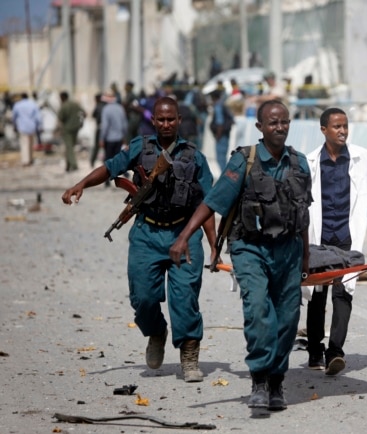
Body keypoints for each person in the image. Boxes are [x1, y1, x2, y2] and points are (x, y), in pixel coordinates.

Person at [169, 100, 312, 411]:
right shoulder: (244, 162)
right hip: (251, 248)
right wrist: (183, 237)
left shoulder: (300, 163)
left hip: (289, 250)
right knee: (258, 309)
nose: (280, 127)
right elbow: (212, 202)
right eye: (273, 123)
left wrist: (306, 256)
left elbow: (303, 214)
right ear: (260, 127)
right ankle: (260, 379)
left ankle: (277, 382)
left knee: (288, 320)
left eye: (284, 122)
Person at [61, 96, 216, 383]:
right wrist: (80, 184)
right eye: (161, 119)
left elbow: (207, 204)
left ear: (179, 120)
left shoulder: (194, 156)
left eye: (172, 119)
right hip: (147, 232)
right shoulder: (139, 148)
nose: (166, 124)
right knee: (142, 298)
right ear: (153, 121)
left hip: (184, 233)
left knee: (184, 299)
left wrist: (214, 245)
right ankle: (156, 332)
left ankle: (189, 353)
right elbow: (110, 169)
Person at [304, 107, 367, 375]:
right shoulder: (310, 162)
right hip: (318, 240)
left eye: (345, 126)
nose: (343, 131)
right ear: (324, 130)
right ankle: (314, 350)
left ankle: (335, 351)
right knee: (316, 294)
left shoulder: (362, 159)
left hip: (347, 240)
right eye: (337, 127)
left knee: (343, 294)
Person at [99, 89, 128, 186]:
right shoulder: (120, 108)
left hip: (109, 138)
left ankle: (107, 180)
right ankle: (119, 176)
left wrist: (102, 138)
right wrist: (124, 135)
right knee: (118, 158)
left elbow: (105, 126)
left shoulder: (106, 109)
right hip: (119, 137)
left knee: (108, 159)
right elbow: (124, 124)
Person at [57, 91, 86, 172]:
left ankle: (74, 165)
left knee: (69, 148)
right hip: (76, 128)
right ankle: (68, 166)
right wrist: (81, 122)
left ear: (63, 97)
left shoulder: (64, 106)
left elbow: (60, 118)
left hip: (67, 130)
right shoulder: (75, 104)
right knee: (70, 148)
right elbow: (84, 113)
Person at [11, 92, 42, 167]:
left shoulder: (17, 105)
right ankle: (30, 159)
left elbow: (14, 117)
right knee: (31, 144)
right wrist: (39, 126)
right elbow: (38, 116)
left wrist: (14, 126)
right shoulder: (33, 104)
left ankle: (25, 161)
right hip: (32, 127)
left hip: (22, 127)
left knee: (24, 144)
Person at [209, 89, 234, 173]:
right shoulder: (223, 104)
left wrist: (218, 136)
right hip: (225, 134)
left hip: (221, 135)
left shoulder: (218, 106)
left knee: (220, 158)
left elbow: (220, 123)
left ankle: (225, 177)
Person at [90, 93, 105, 168]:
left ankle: (92, 161)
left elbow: (93, 115)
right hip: (106, 129)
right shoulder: (105, 105)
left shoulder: (98, 106)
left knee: (97, 145)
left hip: (100, 128)